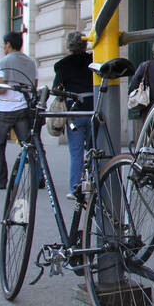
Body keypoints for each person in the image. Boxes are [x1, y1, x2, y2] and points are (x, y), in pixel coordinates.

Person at [0, 31, 38, 190]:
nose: (3, 47)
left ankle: (1, 180)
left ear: (8, 44)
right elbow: (34, 86)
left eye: (4, 44)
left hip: (5, 109)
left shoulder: (2, 63)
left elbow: (1, 90)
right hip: (23, 107)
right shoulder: (31, 62)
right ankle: (38, 178)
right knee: (28, 144)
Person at [52, 32, 94, 200]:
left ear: (68, 46)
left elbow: (57, 89)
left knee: (76, 152)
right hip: (92, 109)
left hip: (74, 112)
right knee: (93, 150)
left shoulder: (62, 65)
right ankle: (92, 183)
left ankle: (75, 188)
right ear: (85, 45)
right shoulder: (93, 60)